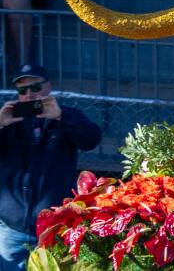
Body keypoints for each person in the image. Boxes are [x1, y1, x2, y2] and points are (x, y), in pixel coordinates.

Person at [0, 65, 99, 270]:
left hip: (53, 226)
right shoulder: (9, 121)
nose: (29, 95)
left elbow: (91, 139)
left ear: (48, 87)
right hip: (12, 227)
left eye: (35, 88)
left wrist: (62, 117)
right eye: (22, 90)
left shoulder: (66, 116)